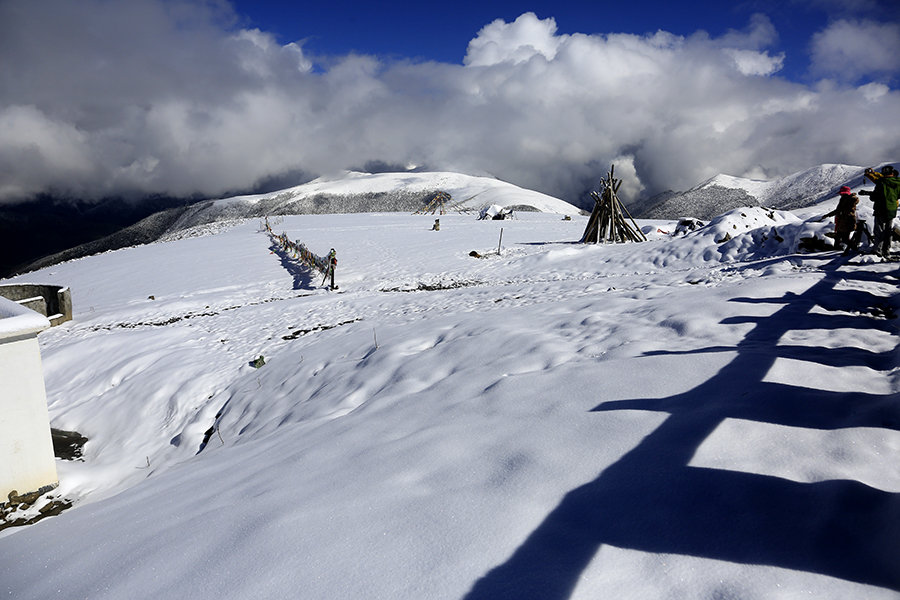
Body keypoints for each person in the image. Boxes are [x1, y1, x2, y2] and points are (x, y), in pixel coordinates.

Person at [860, 165, 900, 257]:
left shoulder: (881, 182)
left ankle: (877, 250)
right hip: (892, 209)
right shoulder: (898, 182)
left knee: (879, 230)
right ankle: (886, 250)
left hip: (880, 209)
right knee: (888, 230)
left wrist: (869, 194)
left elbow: (875, 197)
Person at [822, 185, 858, 250]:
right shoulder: (846, 199)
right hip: (843, 221)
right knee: (839, 237)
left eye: (842, 193)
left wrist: (827, 215)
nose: (841, 195)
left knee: (844, 238)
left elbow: (839, 210)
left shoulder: (848, 200)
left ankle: (854, 249)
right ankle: (838, 249)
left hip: (847, 221)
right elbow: (839, 210)